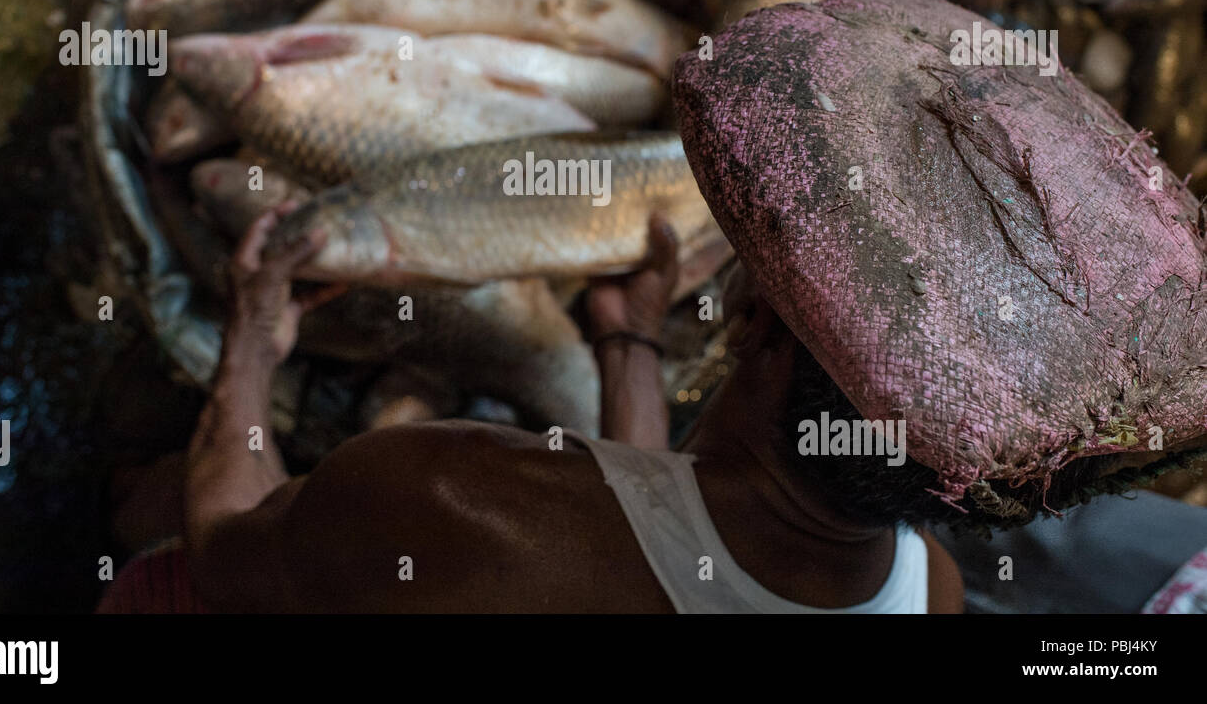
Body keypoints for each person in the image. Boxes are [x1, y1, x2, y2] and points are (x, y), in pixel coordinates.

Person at [179, 203, 963, 613]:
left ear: (751, 319)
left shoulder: (452, 504)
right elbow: (657, 541)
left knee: (164, 543)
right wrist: (630, 344)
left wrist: (249, 341)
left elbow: (223, 553)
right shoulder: (931, 590)